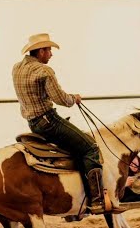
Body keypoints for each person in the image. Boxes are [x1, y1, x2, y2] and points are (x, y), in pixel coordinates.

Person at [12, 33, 122, 215]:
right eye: (48, 50)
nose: (51, 54)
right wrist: (74, 99)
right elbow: (60, 99)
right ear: (40, 52)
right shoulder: (44, 71)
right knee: (90, 147)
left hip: (33, 123)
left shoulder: (17, 68)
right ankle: (97, 200)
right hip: (49, 121)